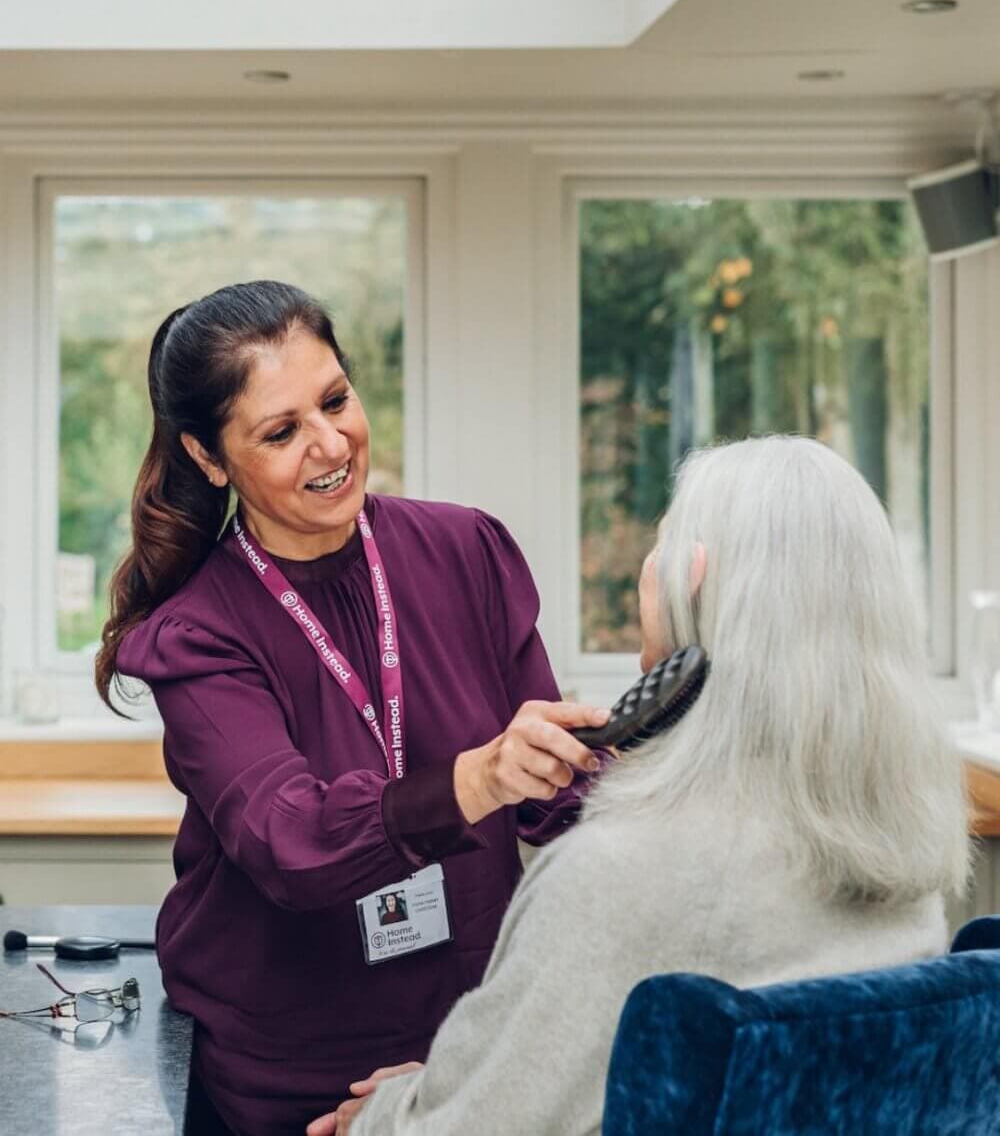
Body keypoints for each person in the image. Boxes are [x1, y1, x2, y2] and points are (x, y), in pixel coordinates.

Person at [309, 435, 970, 1136]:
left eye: (661, 543)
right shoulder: (907, 862)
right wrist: (447, 1084)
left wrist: (380, 1116)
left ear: (693, 579)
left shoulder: (615, 876)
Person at [95, 280, 610, 1136]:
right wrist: (478, 778)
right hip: (286, 1080)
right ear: (210, 458)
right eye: (281, 431)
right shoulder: (197, 633)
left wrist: (635, 760)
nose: (330, 443)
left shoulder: (466, 551)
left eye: (336, 400)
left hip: (462, 1058)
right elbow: (289, 842)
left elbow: (555, 797)